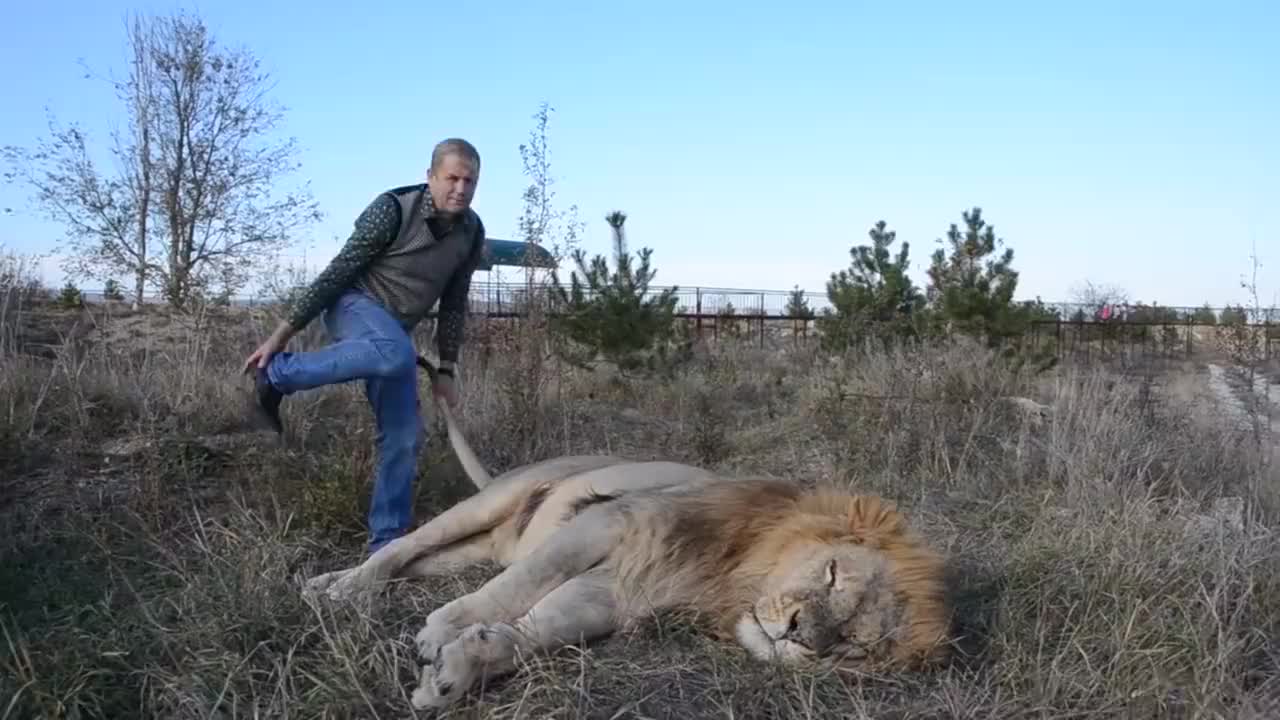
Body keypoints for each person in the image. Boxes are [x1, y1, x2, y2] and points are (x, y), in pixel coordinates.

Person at [241, 137, 486, 553]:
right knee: (397, 353)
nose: (460, 189)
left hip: (392, 334)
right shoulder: (392, 210)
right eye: (452, 178)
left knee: (405, 436)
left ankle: (385, 544)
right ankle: (278, 373)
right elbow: (337, 274)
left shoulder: (471, 232)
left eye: (470, 181)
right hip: (352, 304)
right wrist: (281, 336)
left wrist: (447, 370)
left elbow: (454, 305)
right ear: (430, 177)